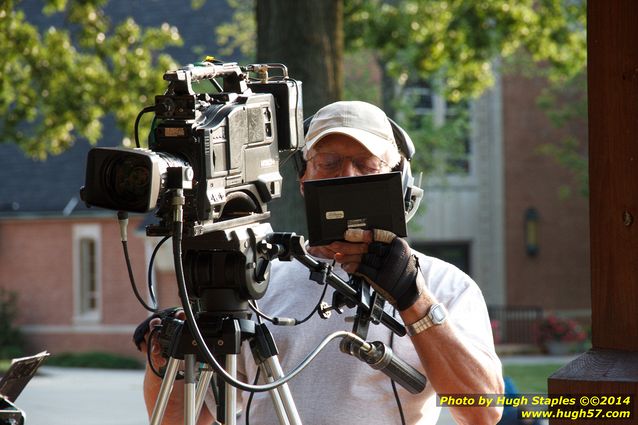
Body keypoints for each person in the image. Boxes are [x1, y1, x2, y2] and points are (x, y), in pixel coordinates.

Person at [138, 101, 504, 424]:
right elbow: (185, 420)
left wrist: (414, 299)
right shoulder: (255, 279)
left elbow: (482, 412)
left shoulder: (446, 285)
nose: (347, 177)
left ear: (400, 182)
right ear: (303, 179)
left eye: (366, 164)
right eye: (328, 163)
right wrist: (165, 358)